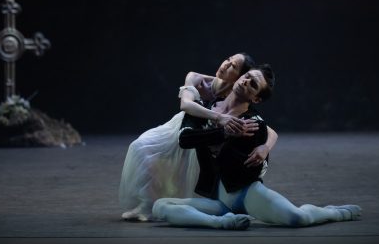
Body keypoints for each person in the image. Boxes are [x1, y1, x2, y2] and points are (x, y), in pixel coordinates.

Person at [152, 65, 362, 230]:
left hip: (246, 194)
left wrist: (260, 148)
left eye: (253, 84)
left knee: (298, 217)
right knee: (160, 207)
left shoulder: (253, 123)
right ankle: (220, 223)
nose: (246, 81)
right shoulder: (205, 110)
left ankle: (335, 212)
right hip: (220, 202)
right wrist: (222, 134)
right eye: (246, 76)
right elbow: (186, 139)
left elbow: (246, 169)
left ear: (256, 98)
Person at [119, 53, 278, 221]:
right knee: (143, 149)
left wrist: (265, 146)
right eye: (228, 60)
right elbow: (186, 105)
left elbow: (270, 131)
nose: (225, 65)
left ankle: (156, 205)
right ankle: (146, 204)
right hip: (182, 127)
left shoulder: (238, 94)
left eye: (233, 66)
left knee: (183, 174)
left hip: (202, 136)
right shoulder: (196, 78)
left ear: (239, 76)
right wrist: (218, 118)